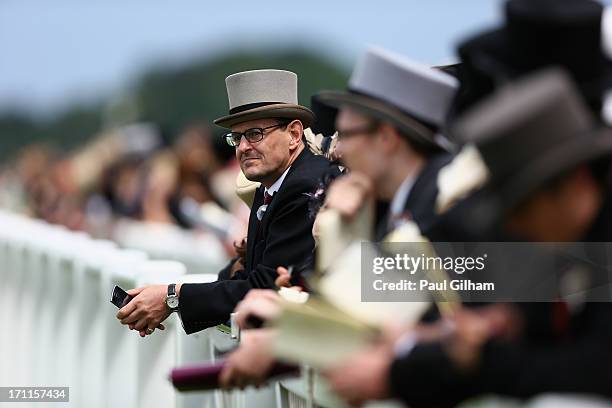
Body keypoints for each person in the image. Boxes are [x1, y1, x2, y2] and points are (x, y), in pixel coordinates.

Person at [325, 69, 612, 407]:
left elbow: (596, 365)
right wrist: (499, 326)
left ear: (573, 183)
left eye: (520, 207)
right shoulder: (571, 244)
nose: (515, 227)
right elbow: (527, 328)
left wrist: (477, 358)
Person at [117, 69, 335, 336]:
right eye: (237, 137)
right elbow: (251, 277)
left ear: (294, 134)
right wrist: (169, 296)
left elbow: (265, 287)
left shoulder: (303, 185)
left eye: (255, 134)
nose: (243, 147)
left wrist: (172, 297)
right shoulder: (272, 181)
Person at [317, 46, 458, 238]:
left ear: (386, 137)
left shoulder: (447, 211)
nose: (339, 148)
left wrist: (344, 232)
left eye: (347, 135)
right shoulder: (399, 204)